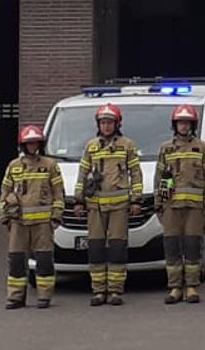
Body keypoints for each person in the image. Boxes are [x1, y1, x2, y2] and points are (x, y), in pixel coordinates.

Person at [72, 103, 141, 306]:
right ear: (98, 124)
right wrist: (78, 200)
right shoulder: (91, 146)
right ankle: (98, 290)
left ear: (117, 124)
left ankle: (115, 291)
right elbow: (82, 175)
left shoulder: (127, 145)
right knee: (95, 248)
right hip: (95, 207)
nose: (106, 126)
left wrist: (136, 199)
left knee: (118, 248)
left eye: (110, 122)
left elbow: (135, 173)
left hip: (119, 206)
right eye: (103, 122)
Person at [0, 124, 62, 309]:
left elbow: (58, 193)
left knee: (44, 261)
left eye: (35, 143)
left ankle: (44, 296)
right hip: (18, 223)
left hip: (43, 224)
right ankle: (16, 297)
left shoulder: (50, 166)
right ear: (23, 145)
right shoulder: (14, 166)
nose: (32, 147)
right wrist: (5, 216)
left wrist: (56, 216)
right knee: (17, 261)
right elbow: (5, 192)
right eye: (29, 143)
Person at [154, 104, 205, 305]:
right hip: (171, 207)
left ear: (192, 125)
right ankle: (175, 287)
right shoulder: (165, 149)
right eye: (180, 123)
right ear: (175, 125)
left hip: (194, 208)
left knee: (192, 246)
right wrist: (158, 203)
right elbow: (159, 177)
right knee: (172, 247)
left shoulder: (202, 148)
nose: (183, 126)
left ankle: (192, 286)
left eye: (187, 123)